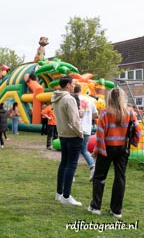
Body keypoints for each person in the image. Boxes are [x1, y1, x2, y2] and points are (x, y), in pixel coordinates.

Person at [88, 88, 142, 218]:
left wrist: (98, 150)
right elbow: (138, 131)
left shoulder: (105, 113)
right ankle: (116, 210)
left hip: (107, 147)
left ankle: (96, 207)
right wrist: (134, 142)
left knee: (99, 177)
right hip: (123, 148)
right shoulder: (130, 112)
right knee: (120, 177)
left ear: (110, 98)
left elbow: (100, 133)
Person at [52, 76, 83, 206]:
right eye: (73, 83)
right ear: (68, 85)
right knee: (71, 165)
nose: (74, 85)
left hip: (63, 134)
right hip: (72, 135)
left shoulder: (56, 98)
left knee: (64, 163)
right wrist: (80, 133)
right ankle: (66, 195)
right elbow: (74, 120)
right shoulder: (69, 99)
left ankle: (59, 193)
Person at [76, 85, 98, 181]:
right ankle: (93, 167)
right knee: (84, 150)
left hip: (76, 129)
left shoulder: (72, 99)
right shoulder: (89, 100)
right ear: (81, 90)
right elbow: (96, 114)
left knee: (74, 151)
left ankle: (72, 173)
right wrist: (88, 118)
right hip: (87, 129)